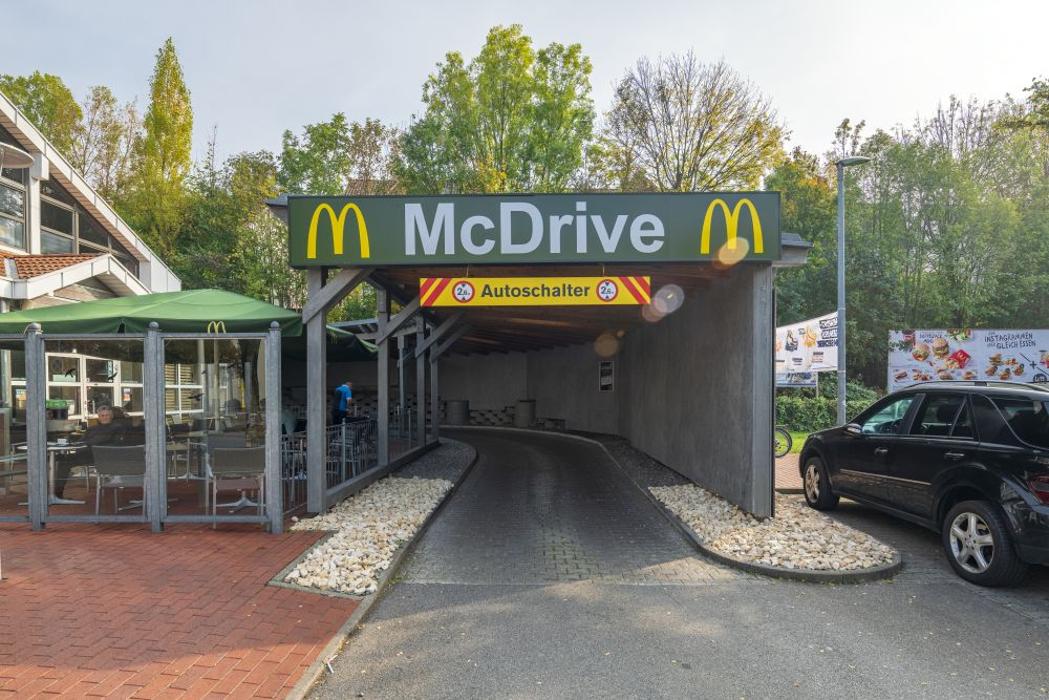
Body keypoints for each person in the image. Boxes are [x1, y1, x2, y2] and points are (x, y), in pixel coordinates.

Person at [54, 404, 128, 499]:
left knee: (64, 463)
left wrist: (84, 444)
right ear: (99, 417)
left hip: (101, 456)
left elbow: (100, 440)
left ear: (111, 416)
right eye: (102, 415)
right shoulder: (92, 429)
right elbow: (81, 440)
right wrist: (73, 444)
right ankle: (55, 493)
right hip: (86, 454)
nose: (104, 418)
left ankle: (57, 494)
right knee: (60, 460)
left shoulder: (116, 427)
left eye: (107, 415)